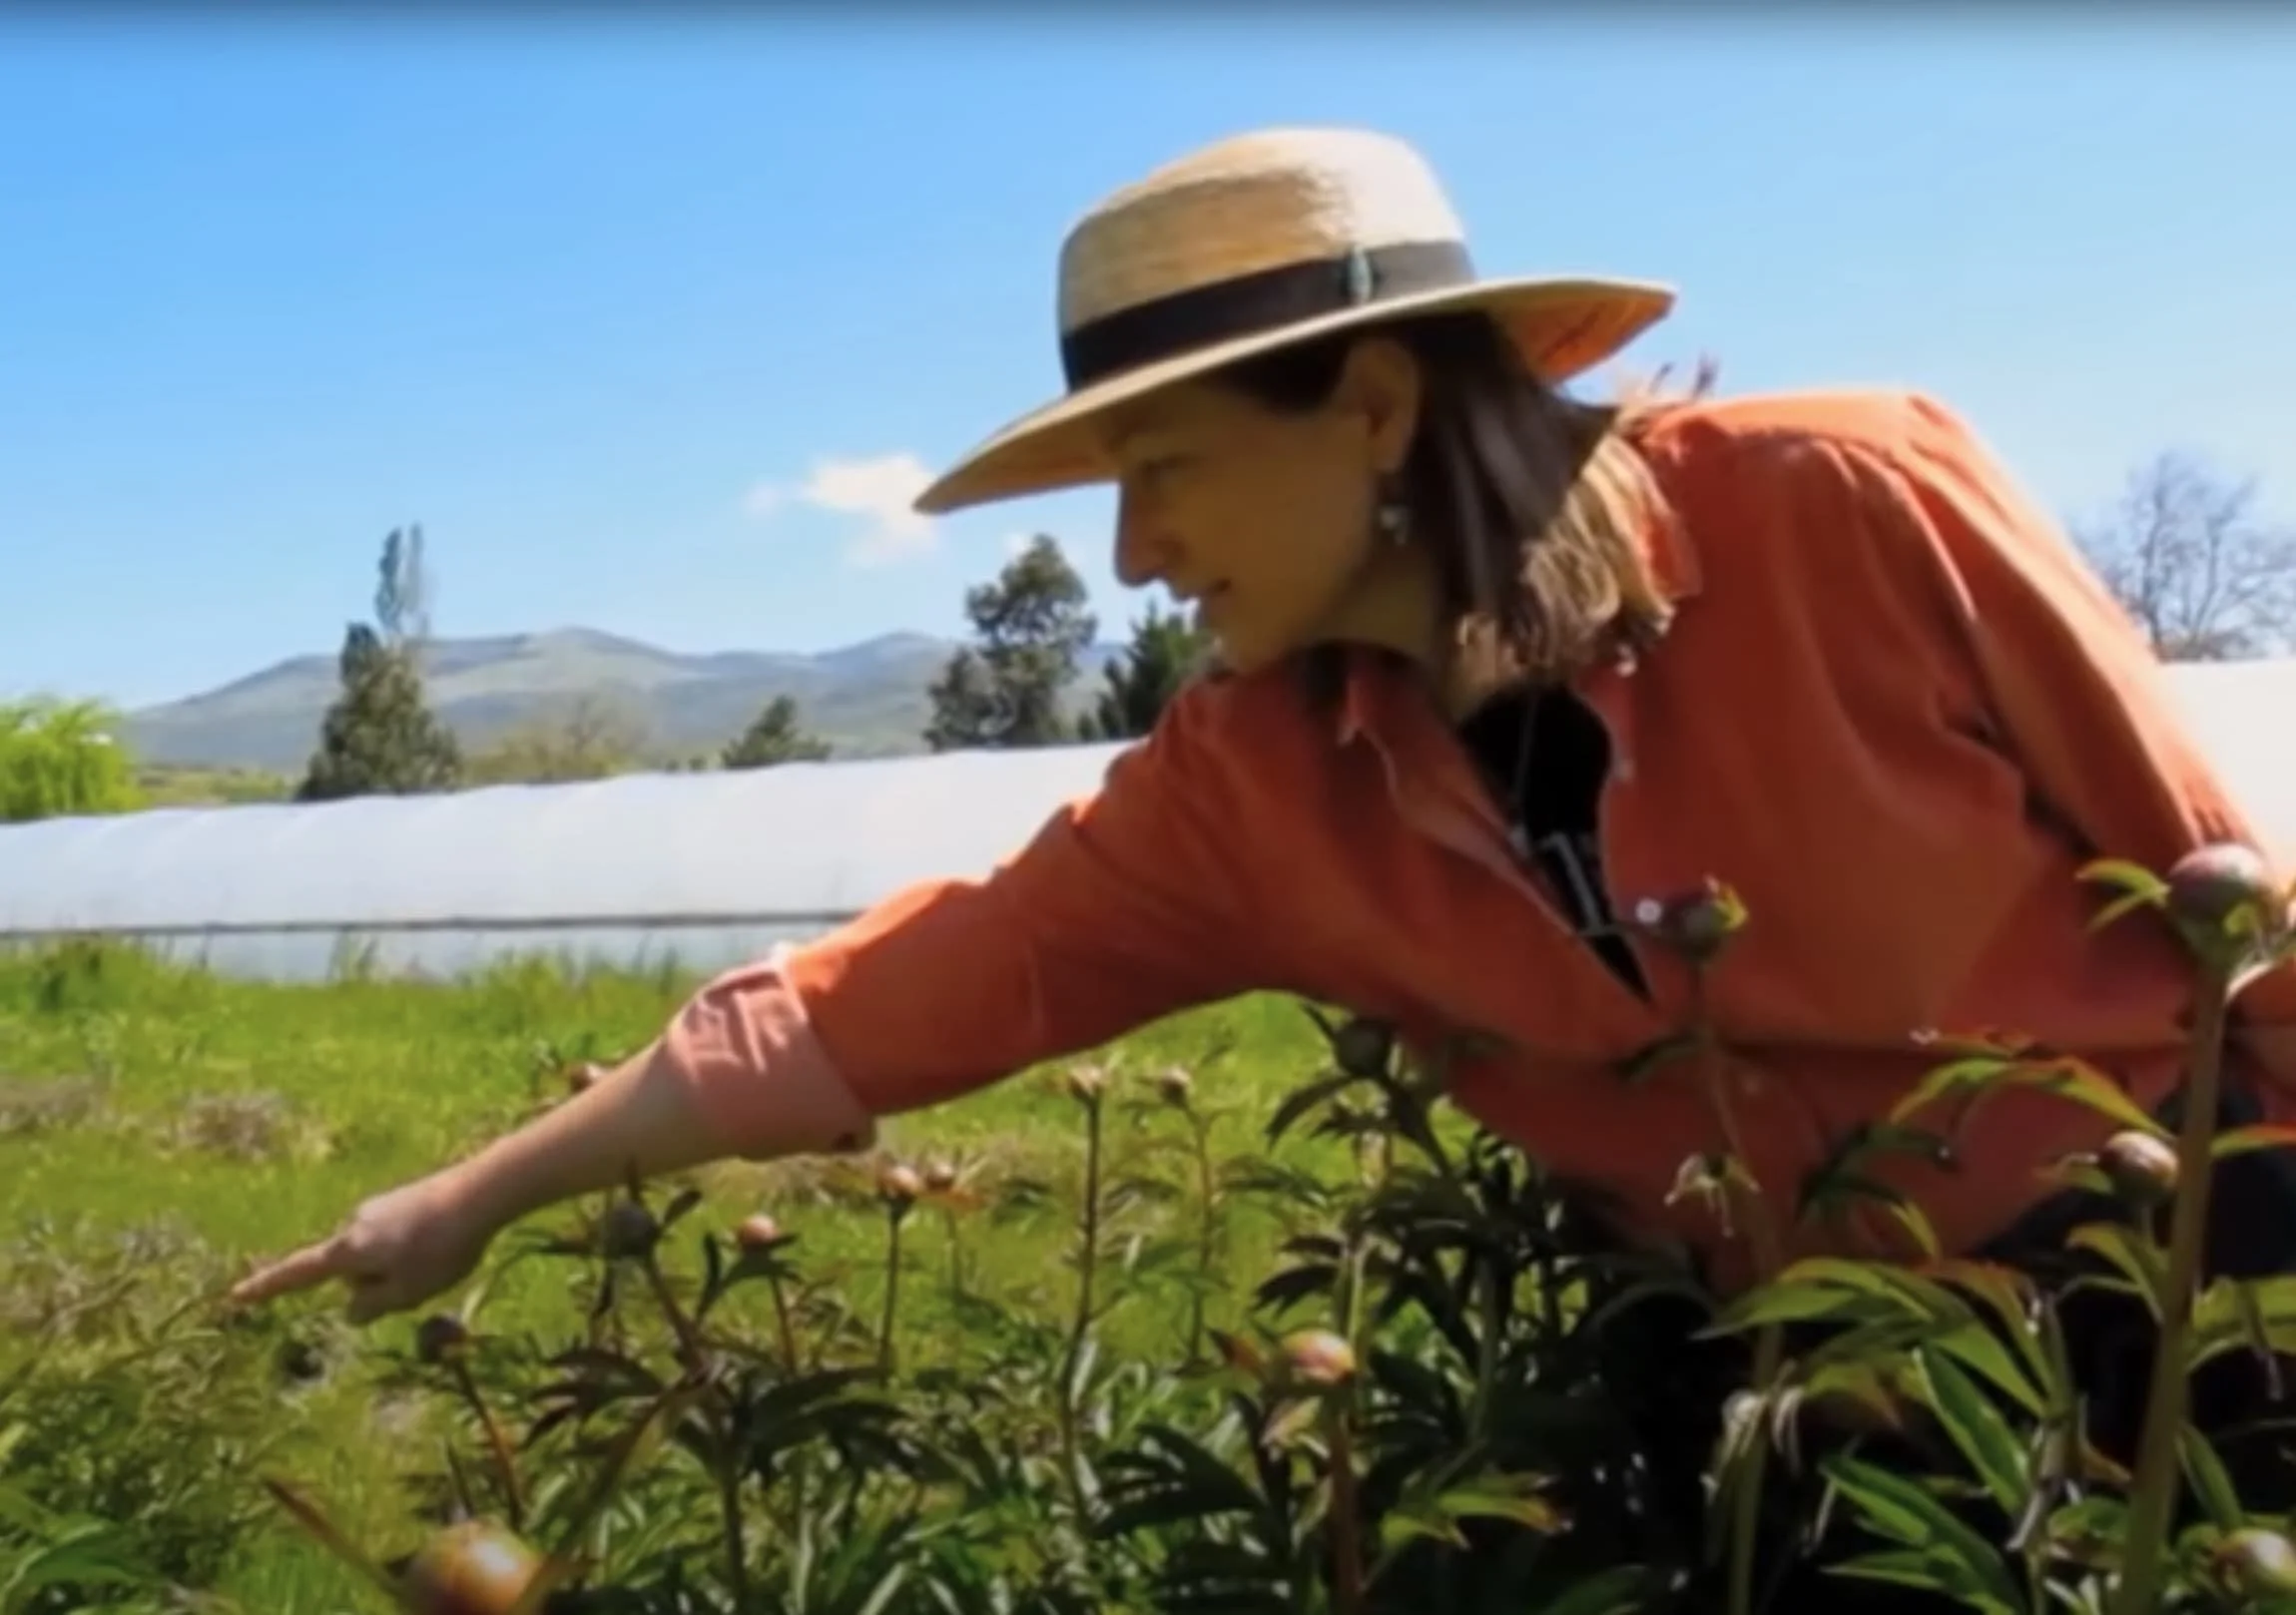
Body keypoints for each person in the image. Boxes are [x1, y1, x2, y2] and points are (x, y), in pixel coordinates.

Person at [232, 125, 2296, 1523]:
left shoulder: (1842, 501)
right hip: (1782, 1408)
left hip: (2174, 1298)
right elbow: (885, 1001)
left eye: (1166, 466)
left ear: (1377, 408)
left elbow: (2218, 884)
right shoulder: (1251, 783)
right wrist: (474, 1197)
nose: (1131, 554)